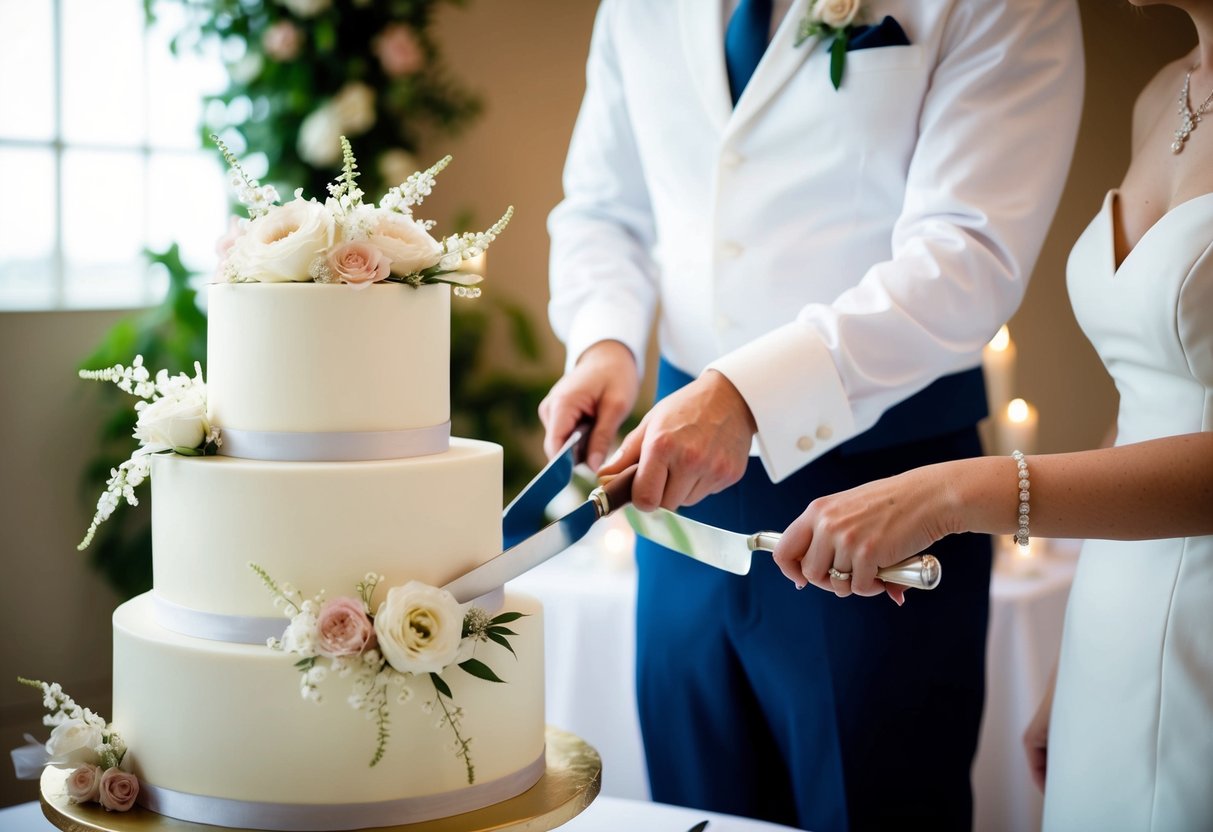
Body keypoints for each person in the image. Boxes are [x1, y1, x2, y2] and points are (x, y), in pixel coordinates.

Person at [541, 1, 1083, 829]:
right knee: (692, 805)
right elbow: (605, 208)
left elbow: (966, 253)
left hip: (887, 488)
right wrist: (603, 341)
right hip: (675, 502)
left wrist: (749, 396)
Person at [770, 2, 1213, 827]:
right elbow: (1152, 401)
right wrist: (1075, 659)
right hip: (1114, 616)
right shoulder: (1164, 97)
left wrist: (954, 493)